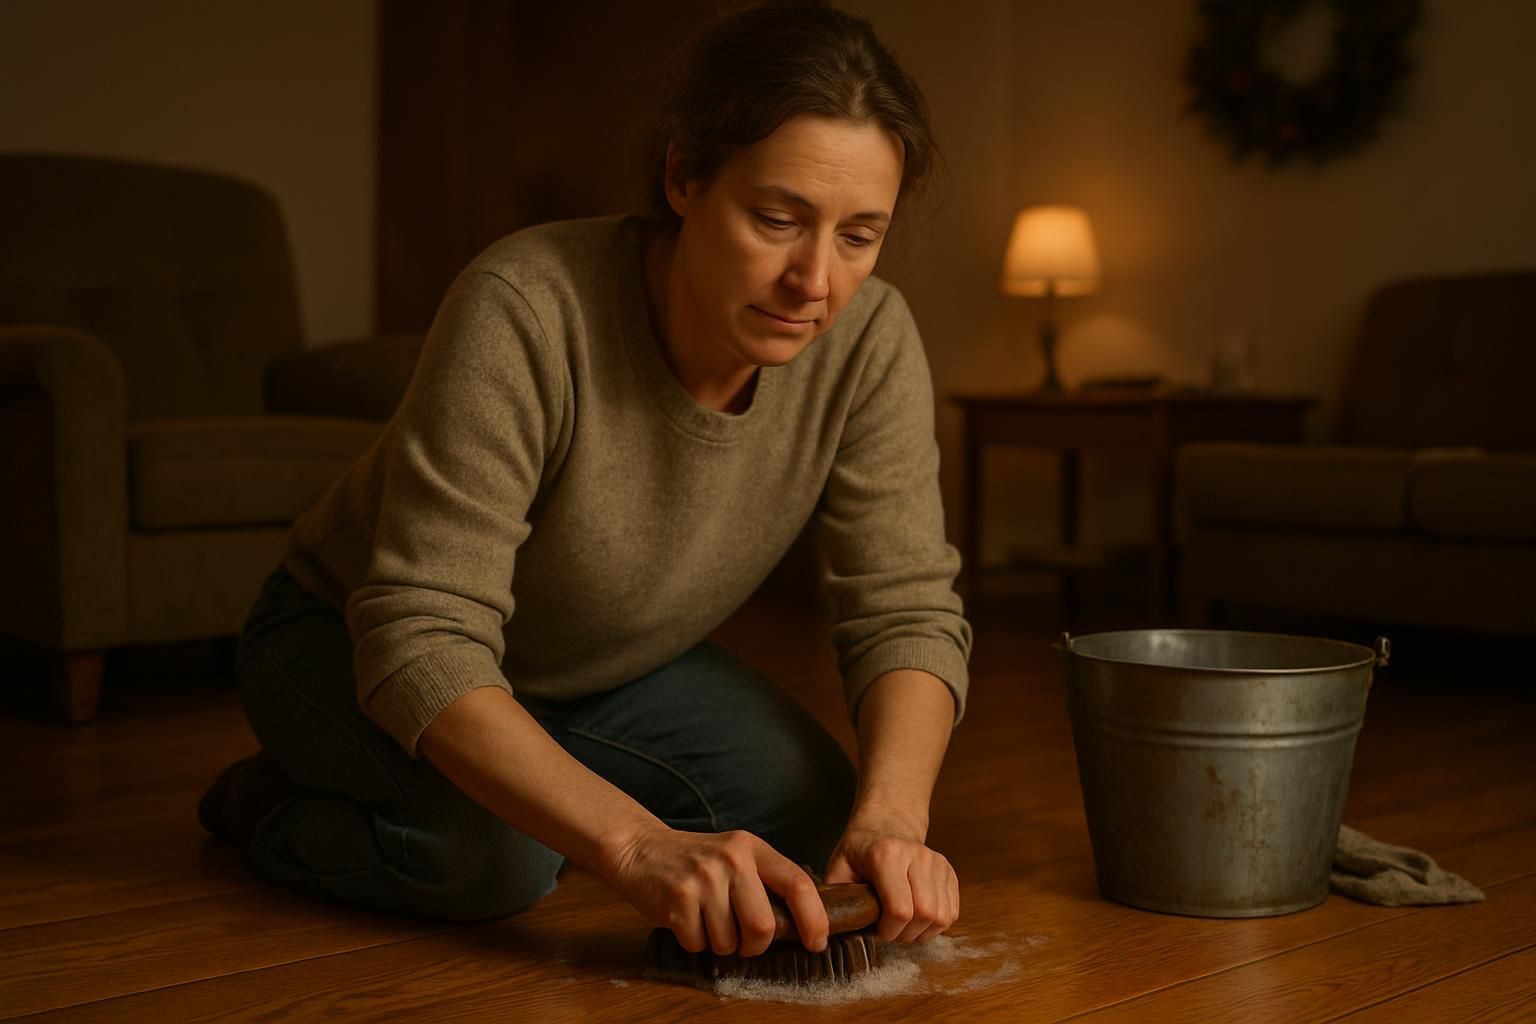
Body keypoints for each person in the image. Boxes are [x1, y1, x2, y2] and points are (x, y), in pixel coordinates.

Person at [198, 0, 972, 962]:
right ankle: (271, 808)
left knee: (812, 812)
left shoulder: (870, 340)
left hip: (600, 667)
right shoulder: (525, 306)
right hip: (346, 636)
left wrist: (893, 819)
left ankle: (523, 785)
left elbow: (904, 607)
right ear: (683, 176)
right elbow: (422, 634)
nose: (815, 280)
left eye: (860, 235)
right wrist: (634, 843)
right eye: (778, 219)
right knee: (496, 862)